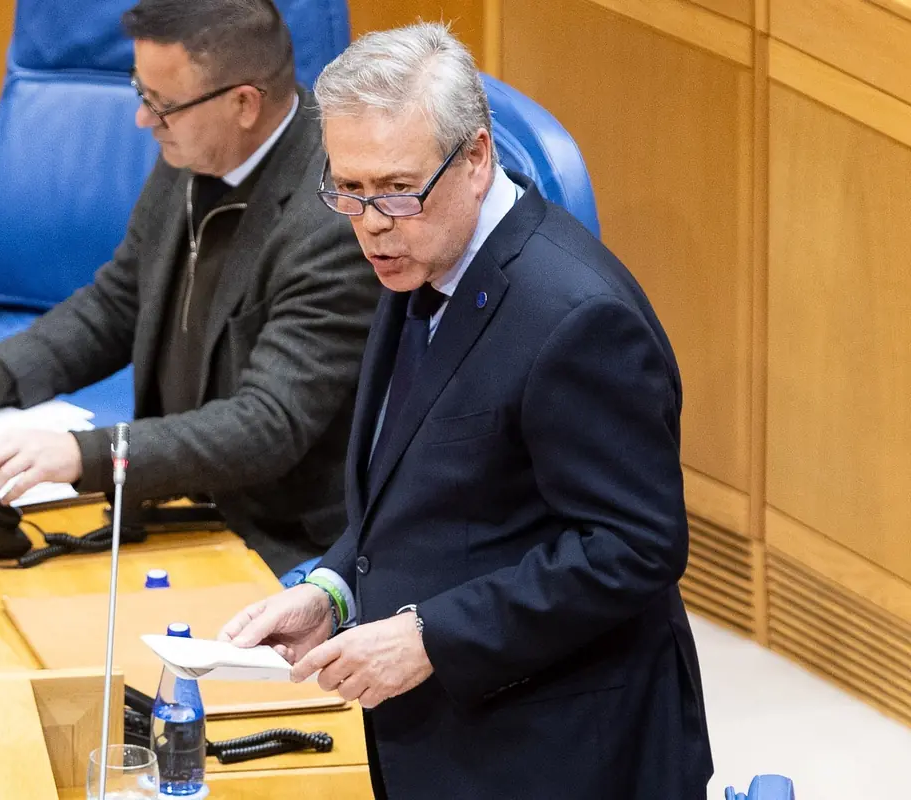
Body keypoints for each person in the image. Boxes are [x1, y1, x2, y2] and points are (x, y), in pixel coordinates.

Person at [218, 22, 714, 799]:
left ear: (476, 158)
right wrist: (334, 591)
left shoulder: (577, 320)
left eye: (394, 189)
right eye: (347, 189)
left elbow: (634, 548)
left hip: (560, 756)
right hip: (445, 737)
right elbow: (423, 493)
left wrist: (430, 637)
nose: (370, 221)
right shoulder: (423, 254)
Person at [0, 0, 379, 574]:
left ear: (243, 104)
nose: (143, 120)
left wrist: (86, 455)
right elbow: (121, 298)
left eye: (163, 105)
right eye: (141, 91)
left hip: (276, 538)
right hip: (175, 496)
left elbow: (267, 424)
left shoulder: (333, 220)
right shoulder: (196, 148)